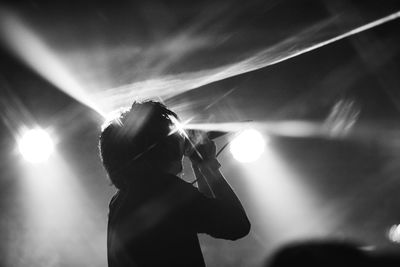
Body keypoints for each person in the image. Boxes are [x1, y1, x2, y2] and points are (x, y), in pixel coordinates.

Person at [99, 100, 250, 267]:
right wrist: (208, 164)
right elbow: (236, 225)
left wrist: (199, 164)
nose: (180, 139)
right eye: (174, 134)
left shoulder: (119, 202)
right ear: (162, 145)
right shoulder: (164, 190)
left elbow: (205, 209)